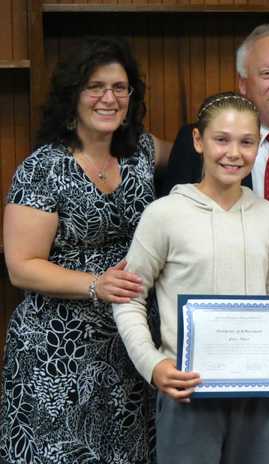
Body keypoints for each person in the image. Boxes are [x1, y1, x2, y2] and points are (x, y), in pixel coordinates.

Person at [113, 92, 269, 464]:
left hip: (261, 393)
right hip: (190, 391)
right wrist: (153, 365)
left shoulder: (266, 214)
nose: (234, 153)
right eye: (222, 139)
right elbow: (129, 298)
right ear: (199, 141)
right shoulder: (164, 214)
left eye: (247, 142)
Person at [1, 36, 170, 463]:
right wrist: (96, 284)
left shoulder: (143, 153)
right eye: (95, 87)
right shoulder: (44, 167)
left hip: (127, 345)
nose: (108, 98)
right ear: (73, 94)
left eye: (119, 87)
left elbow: (203, 147)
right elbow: (21, 267)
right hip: (56, 352)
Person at [159, 23, 269, 270]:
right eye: (268, 73)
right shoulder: (199, 144)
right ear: (243, 83)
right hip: (226, 295)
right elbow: (171, 233)